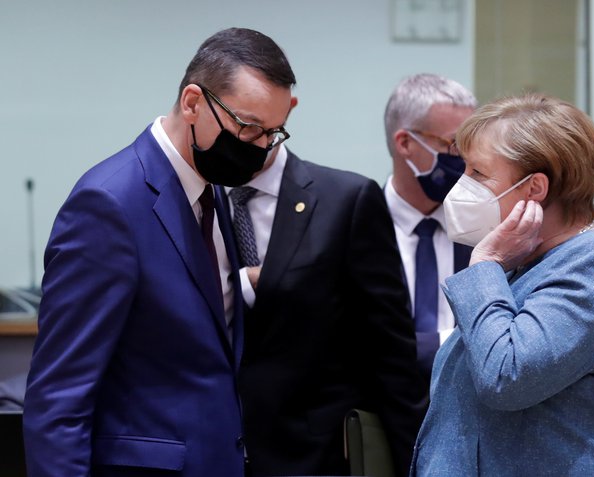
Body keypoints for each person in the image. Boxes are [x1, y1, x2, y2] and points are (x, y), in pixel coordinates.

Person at [22, 27, 297, 476]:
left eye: (273, 133)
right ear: (192, 102)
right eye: (248, 128)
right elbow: (58, 399)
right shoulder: (109, 204)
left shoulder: (211, 192)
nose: (261, 149)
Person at [411, 92, 594, 476]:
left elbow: (507, 377)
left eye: (478, 173)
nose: (462, 184)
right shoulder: (529, 259)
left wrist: (486, 264)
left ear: (535, 188)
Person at [227, 81, 427, 477]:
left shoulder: (346, 201)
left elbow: (391, 354)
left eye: (257, 127)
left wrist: (416, 466)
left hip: (314, 457)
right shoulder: (196, 199)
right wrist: (241, 282)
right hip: (210, 451)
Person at [383, 73, 477, 384]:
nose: (465, 160)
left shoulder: (486, 230)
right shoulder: (353, 226)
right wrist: (457, 343)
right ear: (406, 143)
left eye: (470, 146)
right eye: (453, 145)